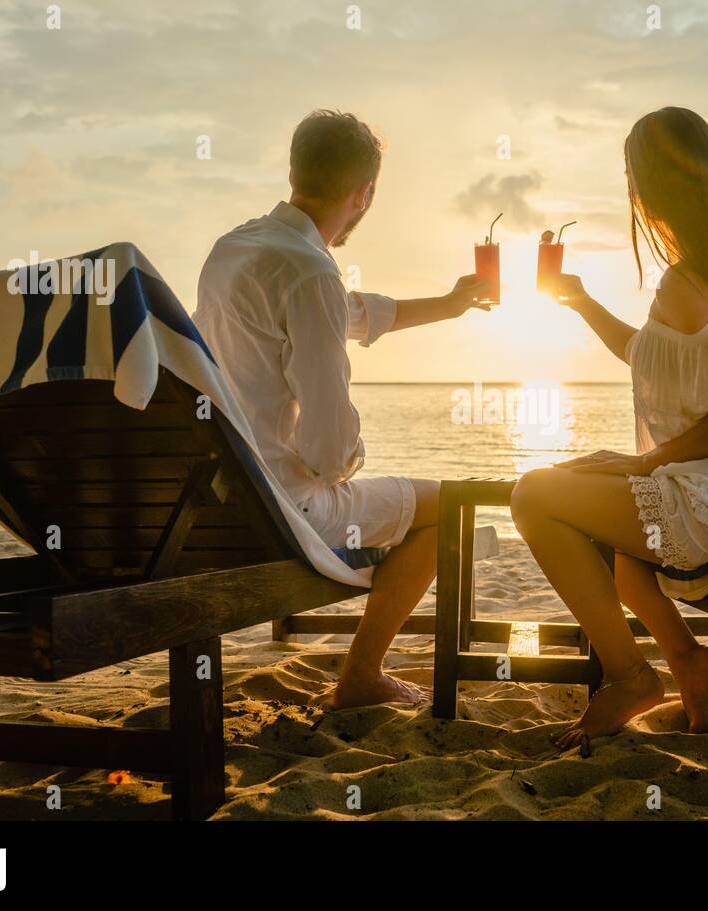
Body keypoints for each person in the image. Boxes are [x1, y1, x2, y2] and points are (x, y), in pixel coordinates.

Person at [510, 106, 708, 749]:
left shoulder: (687, 280)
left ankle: (630, 677)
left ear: (645, 186)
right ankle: (690, 664)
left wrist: (648, 462)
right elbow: (650, 354)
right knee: (624, 552)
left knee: (533, 496)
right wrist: (582, 302)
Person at [194, 109, 492, 709]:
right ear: (365, 193)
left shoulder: (236, 249)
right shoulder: (308, 272)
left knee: (429, 503)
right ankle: (362, 675)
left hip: (222, 494)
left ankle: (364, 672)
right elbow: (328, 454)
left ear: (295, 171)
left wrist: (451, 304)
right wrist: (351, 458)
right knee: (454, 510)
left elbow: (353, 312)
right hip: (286, 507)